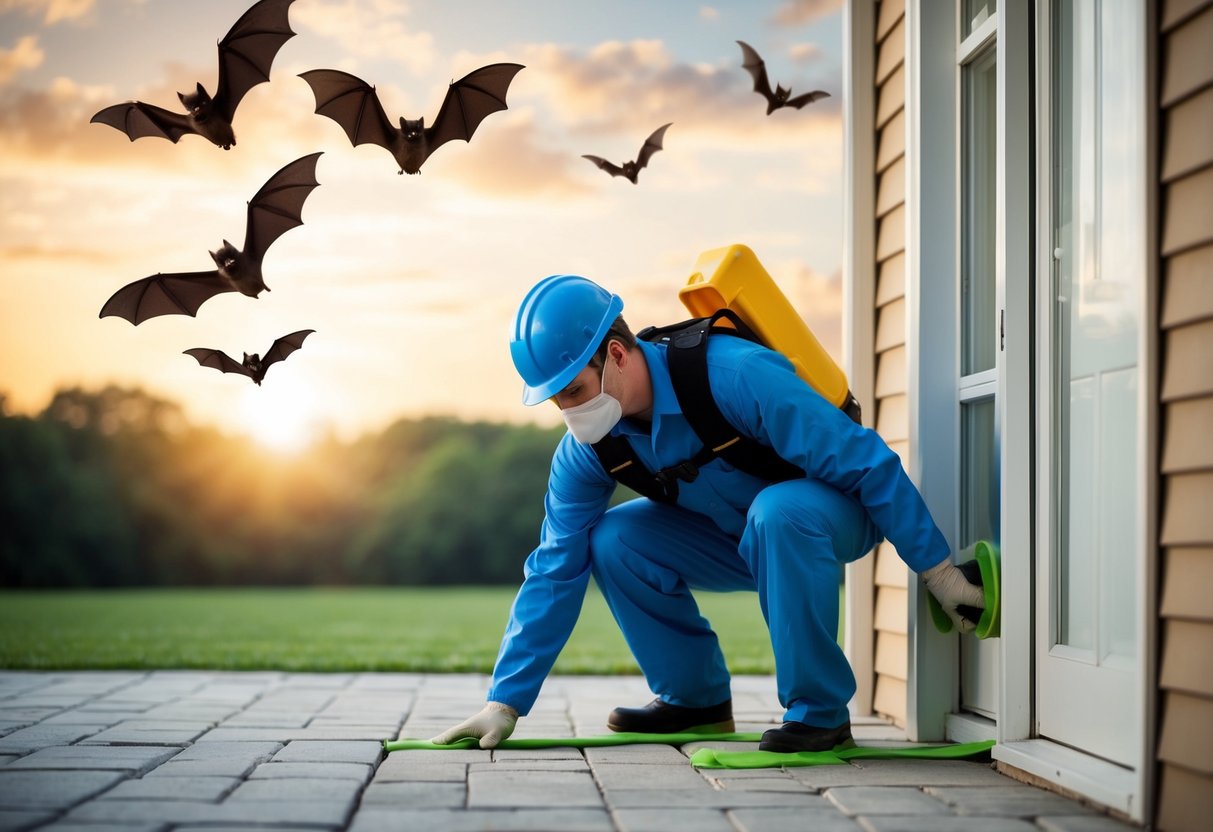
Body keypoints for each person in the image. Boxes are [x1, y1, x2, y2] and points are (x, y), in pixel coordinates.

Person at [432, 274, 984, 752]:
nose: (570, 413)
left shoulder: (734, 373)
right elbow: (554, 565)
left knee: (778, 511)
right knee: (611, 537)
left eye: (575, 390)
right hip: (738, 538)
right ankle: (694, 700)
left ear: (617, 356)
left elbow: (866, 461)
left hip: (828, 516)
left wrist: (937, 570)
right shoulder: (588, 449)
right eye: (557, 401)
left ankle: (819, 715)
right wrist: (504, 702)